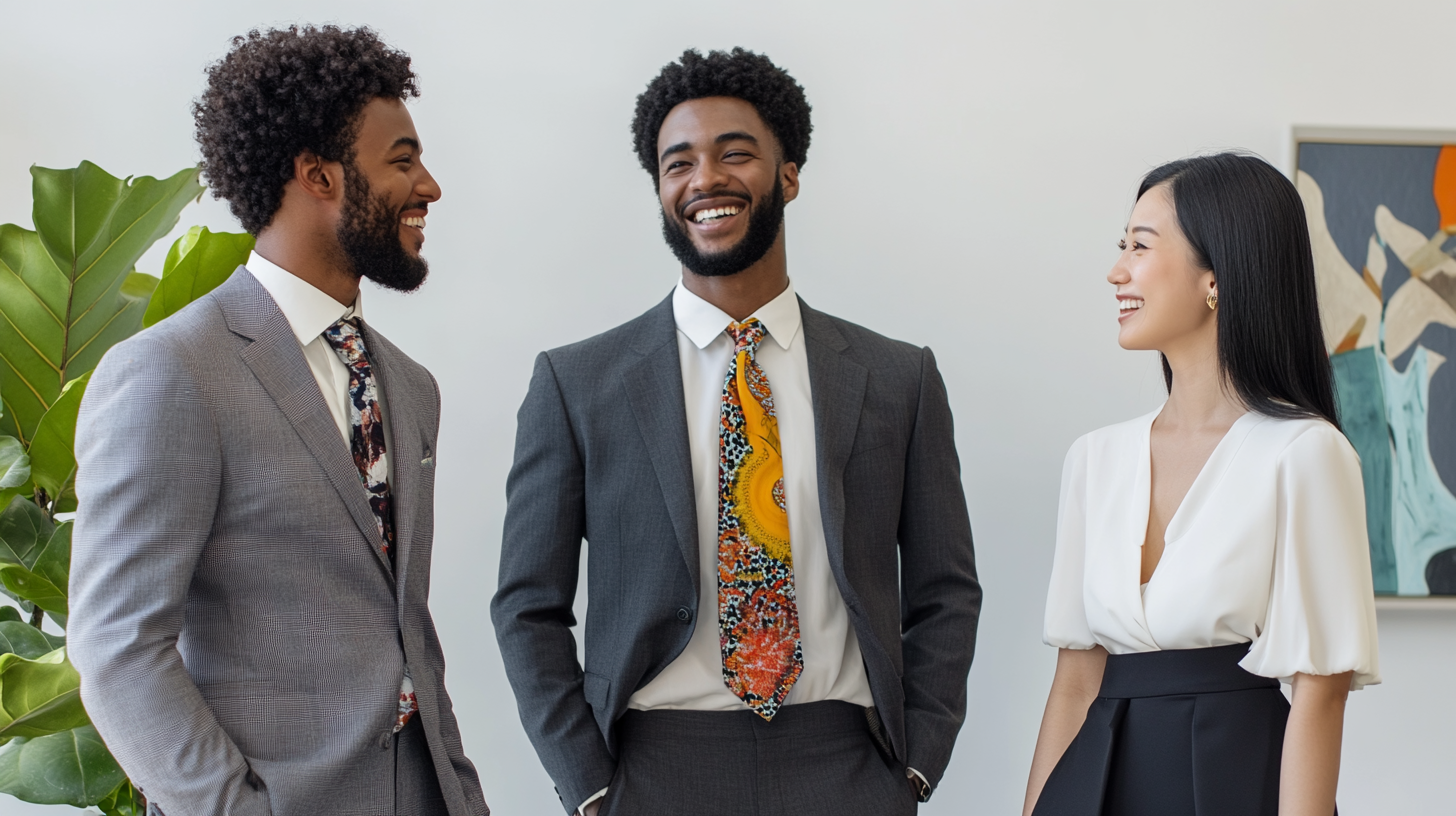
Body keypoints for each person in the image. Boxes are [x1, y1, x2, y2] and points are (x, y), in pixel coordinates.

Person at [491, 48, 981, 816]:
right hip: (654, 767)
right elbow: (527, 605)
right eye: (676, 163)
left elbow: (945, 591)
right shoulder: (577, 384)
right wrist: (588, 783)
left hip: (847, 763)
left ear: (788, 175)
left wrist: (916, 766)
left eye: (735, 153)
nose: (705, 180)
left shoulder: (897, 378)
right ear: (659, 189)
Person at [69, 26, 488, 816]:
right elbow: (119, 647)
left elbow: (408, 634)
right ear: (318, 175)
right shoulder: (172, 374)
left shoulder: (409, 386)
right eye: (402, 160)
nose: (428, 186)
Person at [1022, 152, 1381, 816]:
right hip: (1092, 785)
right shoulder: (1094, 460)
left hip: (1236, 782)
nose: (1116, 270)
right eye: (1120, 246)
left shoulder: (1305, 454)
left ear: (1216, 278)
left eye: (1140, 245)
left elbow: (1320, 692)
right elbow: (1074, 684)